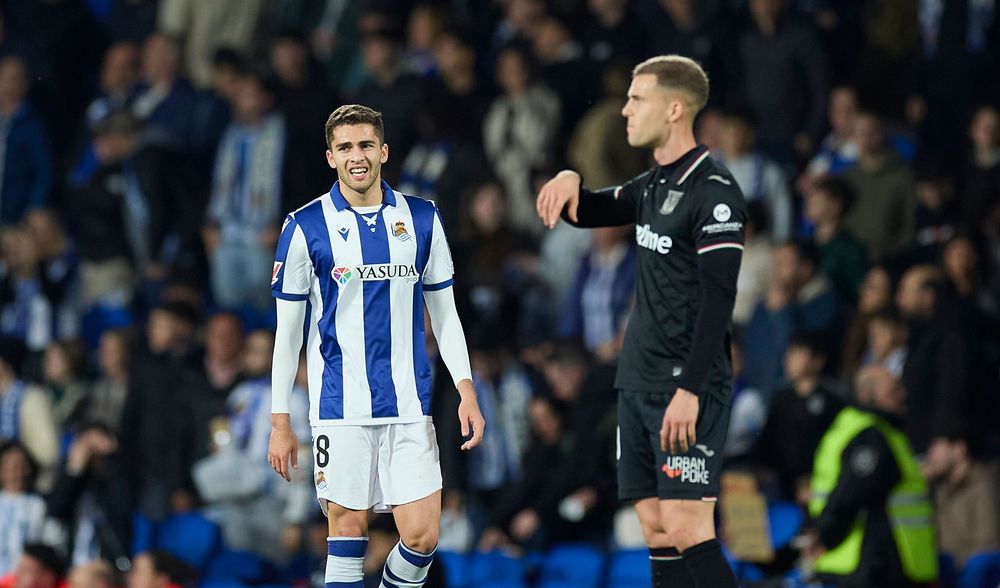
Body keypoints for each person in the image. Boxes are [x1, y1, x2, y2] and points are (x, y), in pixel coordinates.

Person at [536, 55, 745, 588]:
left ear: (674, 109)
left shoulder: (714, 192)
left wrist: (691, 390)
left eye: (637, 99)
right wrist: (569, 175)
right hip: (638, 380)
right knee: (655, 528)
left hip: (683, 385)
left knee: (687, 525)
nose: (625, 109)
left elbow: (720, 299)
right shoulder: (653, 184)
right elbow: (586, 210)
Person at [267, 104, 485, 588]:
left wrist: (466, 389)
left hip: (409, 402)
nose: (357, 156)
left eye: (365, 145)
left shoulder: (423, 218)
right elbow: (287, 335)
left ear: (383, 151)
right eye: (345, 147)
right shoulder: (305, 226)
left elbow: (445, 315)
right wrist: (280, 420)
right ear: (330, 157)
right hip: (339, 405)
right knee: (347, 531)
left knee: (423, 537)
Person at [806, 365, 938, 587]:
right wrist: (824, 537)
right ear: (869, 396)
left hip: (861, 563)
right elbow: (849, 494)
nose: (904, 394)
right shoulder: (871, 436)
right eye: (894, 390)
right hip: (872, 565)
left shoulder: (855, 425)